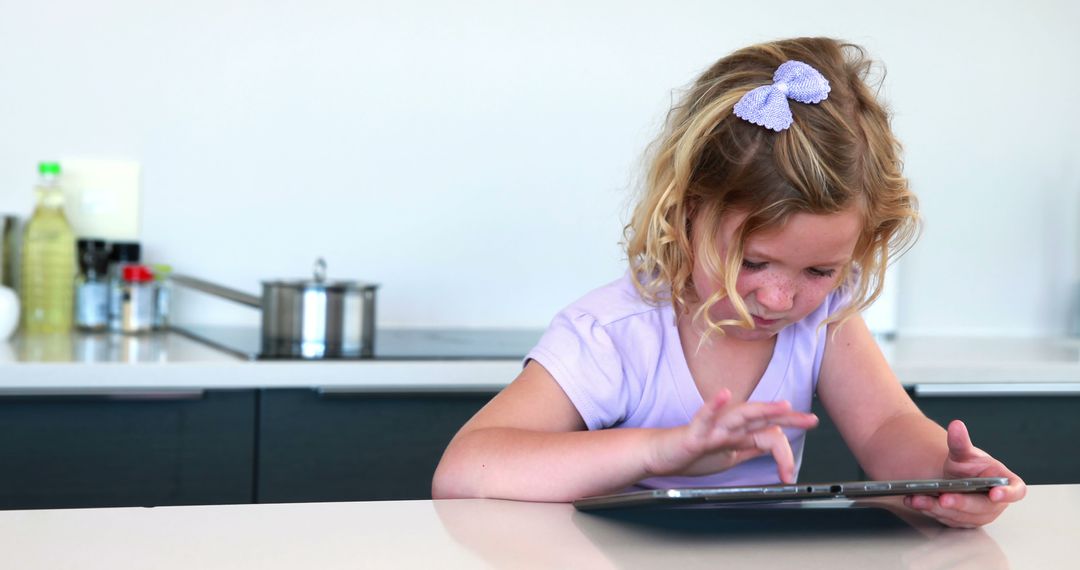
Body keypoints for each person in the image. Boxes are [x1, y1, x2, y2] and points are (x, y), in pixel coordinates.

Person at [432, 37, 1025, 528]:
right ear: (686, 209)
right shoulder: (616, 332)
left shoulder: (822, 319)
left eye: (820, 271)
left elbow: (884, 427)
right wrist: (667, 450)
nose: (779, 299)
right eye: (754, 261)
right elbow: (466, 469)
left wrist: (942, 481)